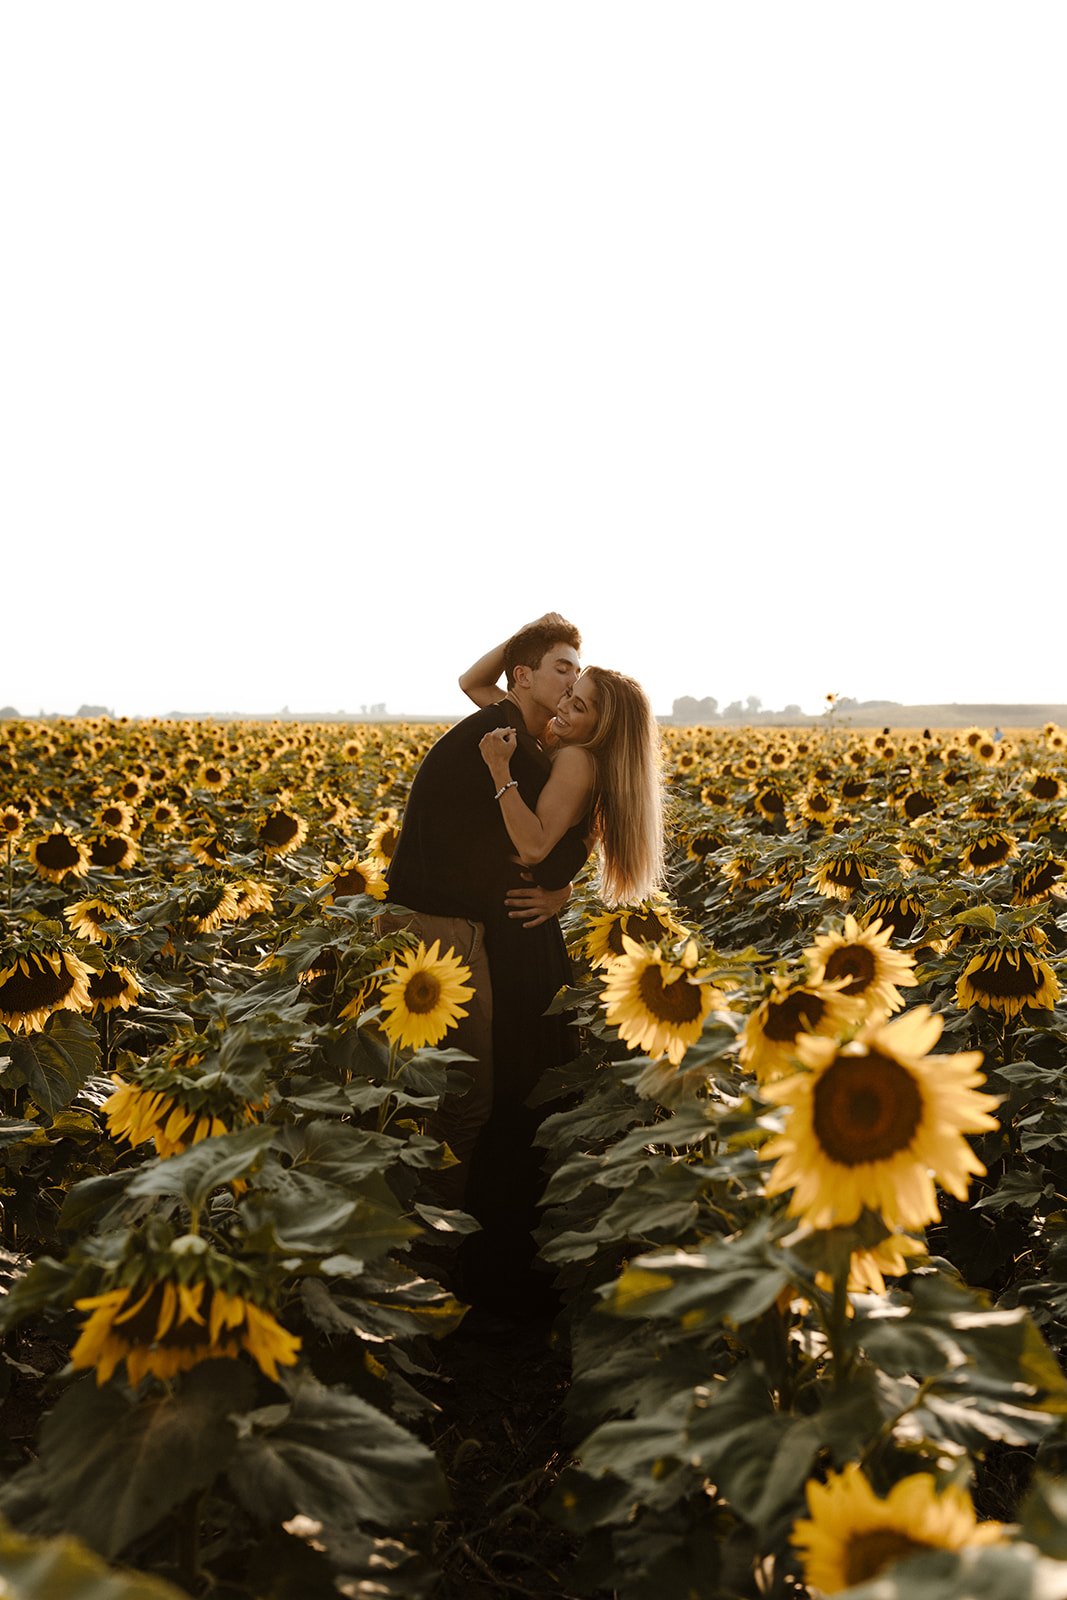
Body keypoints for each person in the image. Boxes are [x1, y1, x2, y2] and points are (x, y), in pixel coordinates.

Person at [383, 613, 585, 1214]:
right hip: (439, 931)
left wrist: (538, 642)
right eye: (563, 669)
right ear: (522, 677)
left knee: (426, 1092)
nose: (573, 682)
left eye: (579, 671)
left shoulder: (507, 726)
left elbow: (474, 679)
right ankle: (430, 1251)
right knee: (462, 1100)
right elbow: (541, 852)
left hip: (428, 921)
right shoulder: (506, 745)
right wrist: (560, 888)